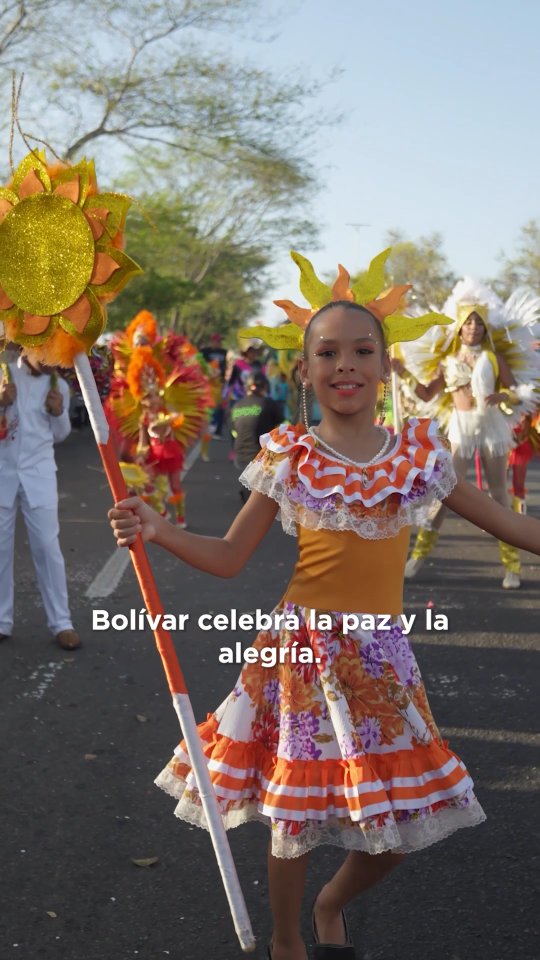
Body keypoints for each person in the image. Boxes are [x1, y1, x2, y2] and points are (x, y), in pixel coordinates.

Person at [108, 252, 540, 960]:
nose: (346, 364)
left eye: (363, 350)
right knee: (294, 812)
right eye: (328, 352)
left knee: (408, 814)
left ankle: (331, 901)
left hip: (380, 659)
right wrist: (157, 531)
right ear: (304, 373)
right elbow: (227, 558)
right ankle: (287, 940)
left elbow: (512, 524)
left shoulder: (417, 458)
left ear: (385, 367)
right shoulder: (289, 456)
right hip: (299, 656)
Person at [391, 278, 540, 589]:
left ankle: (511, 566)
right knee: (446, 492)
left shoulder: (495, 359)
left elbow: (517, 392)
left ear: (485, 328)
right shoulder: (447, 362)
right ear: (459, 327)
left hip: (492, 428)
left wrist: (505, 397)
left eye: (478, 323)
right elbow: (427, 393)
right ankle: (418, 556)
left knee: (499, 495)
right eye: (468, 322)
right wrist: (402, 373)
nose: (473, 328)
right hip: (461, 426)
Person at [0, 349, 81, 649]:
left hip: (40, 475)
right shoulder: (4, 374)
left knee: (48, 549)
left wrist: (59, 412)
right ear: (28, 347)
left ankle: (62, 623)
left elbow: (61, 435)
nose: (51, 363)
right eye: (46, 355)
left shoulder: (59, 386)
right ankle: (1, 620)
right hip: (3, 474)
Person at [230, 371, 283, 502]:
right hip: (261, 454)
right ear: (265, 387)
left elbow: (234, 431)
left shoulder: (236, 405)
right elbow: (283, 427)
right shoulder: (268, 403)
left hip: (240, 454)